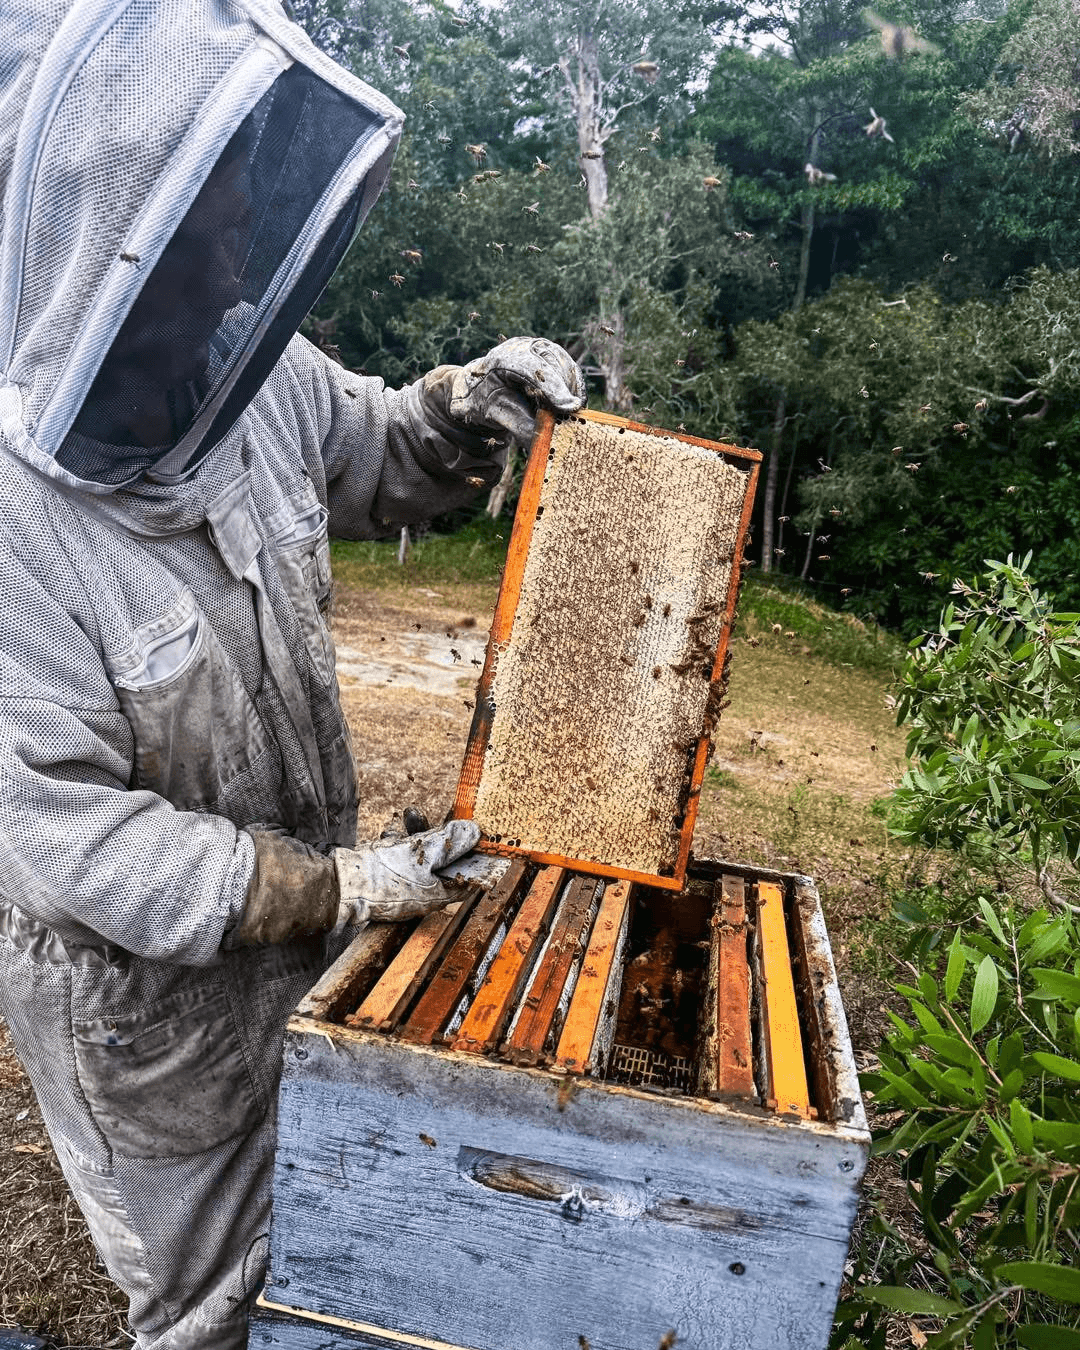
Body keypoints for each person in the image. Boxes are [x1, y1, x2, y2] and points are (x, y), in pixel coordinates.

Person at [0, 3, 584, 1347]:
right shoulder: (15, 526)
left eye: (241, 228)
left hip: (300, 946)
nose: (234, 274)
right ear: (107, 262)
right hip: (147, 1018)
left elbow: (372, 445)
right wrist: (336, 886)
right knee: (214, 1308)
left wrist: (458, 409)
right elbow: (75, 846)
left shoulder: (239, 368)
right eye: (206, 243)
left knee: (330, 1256)